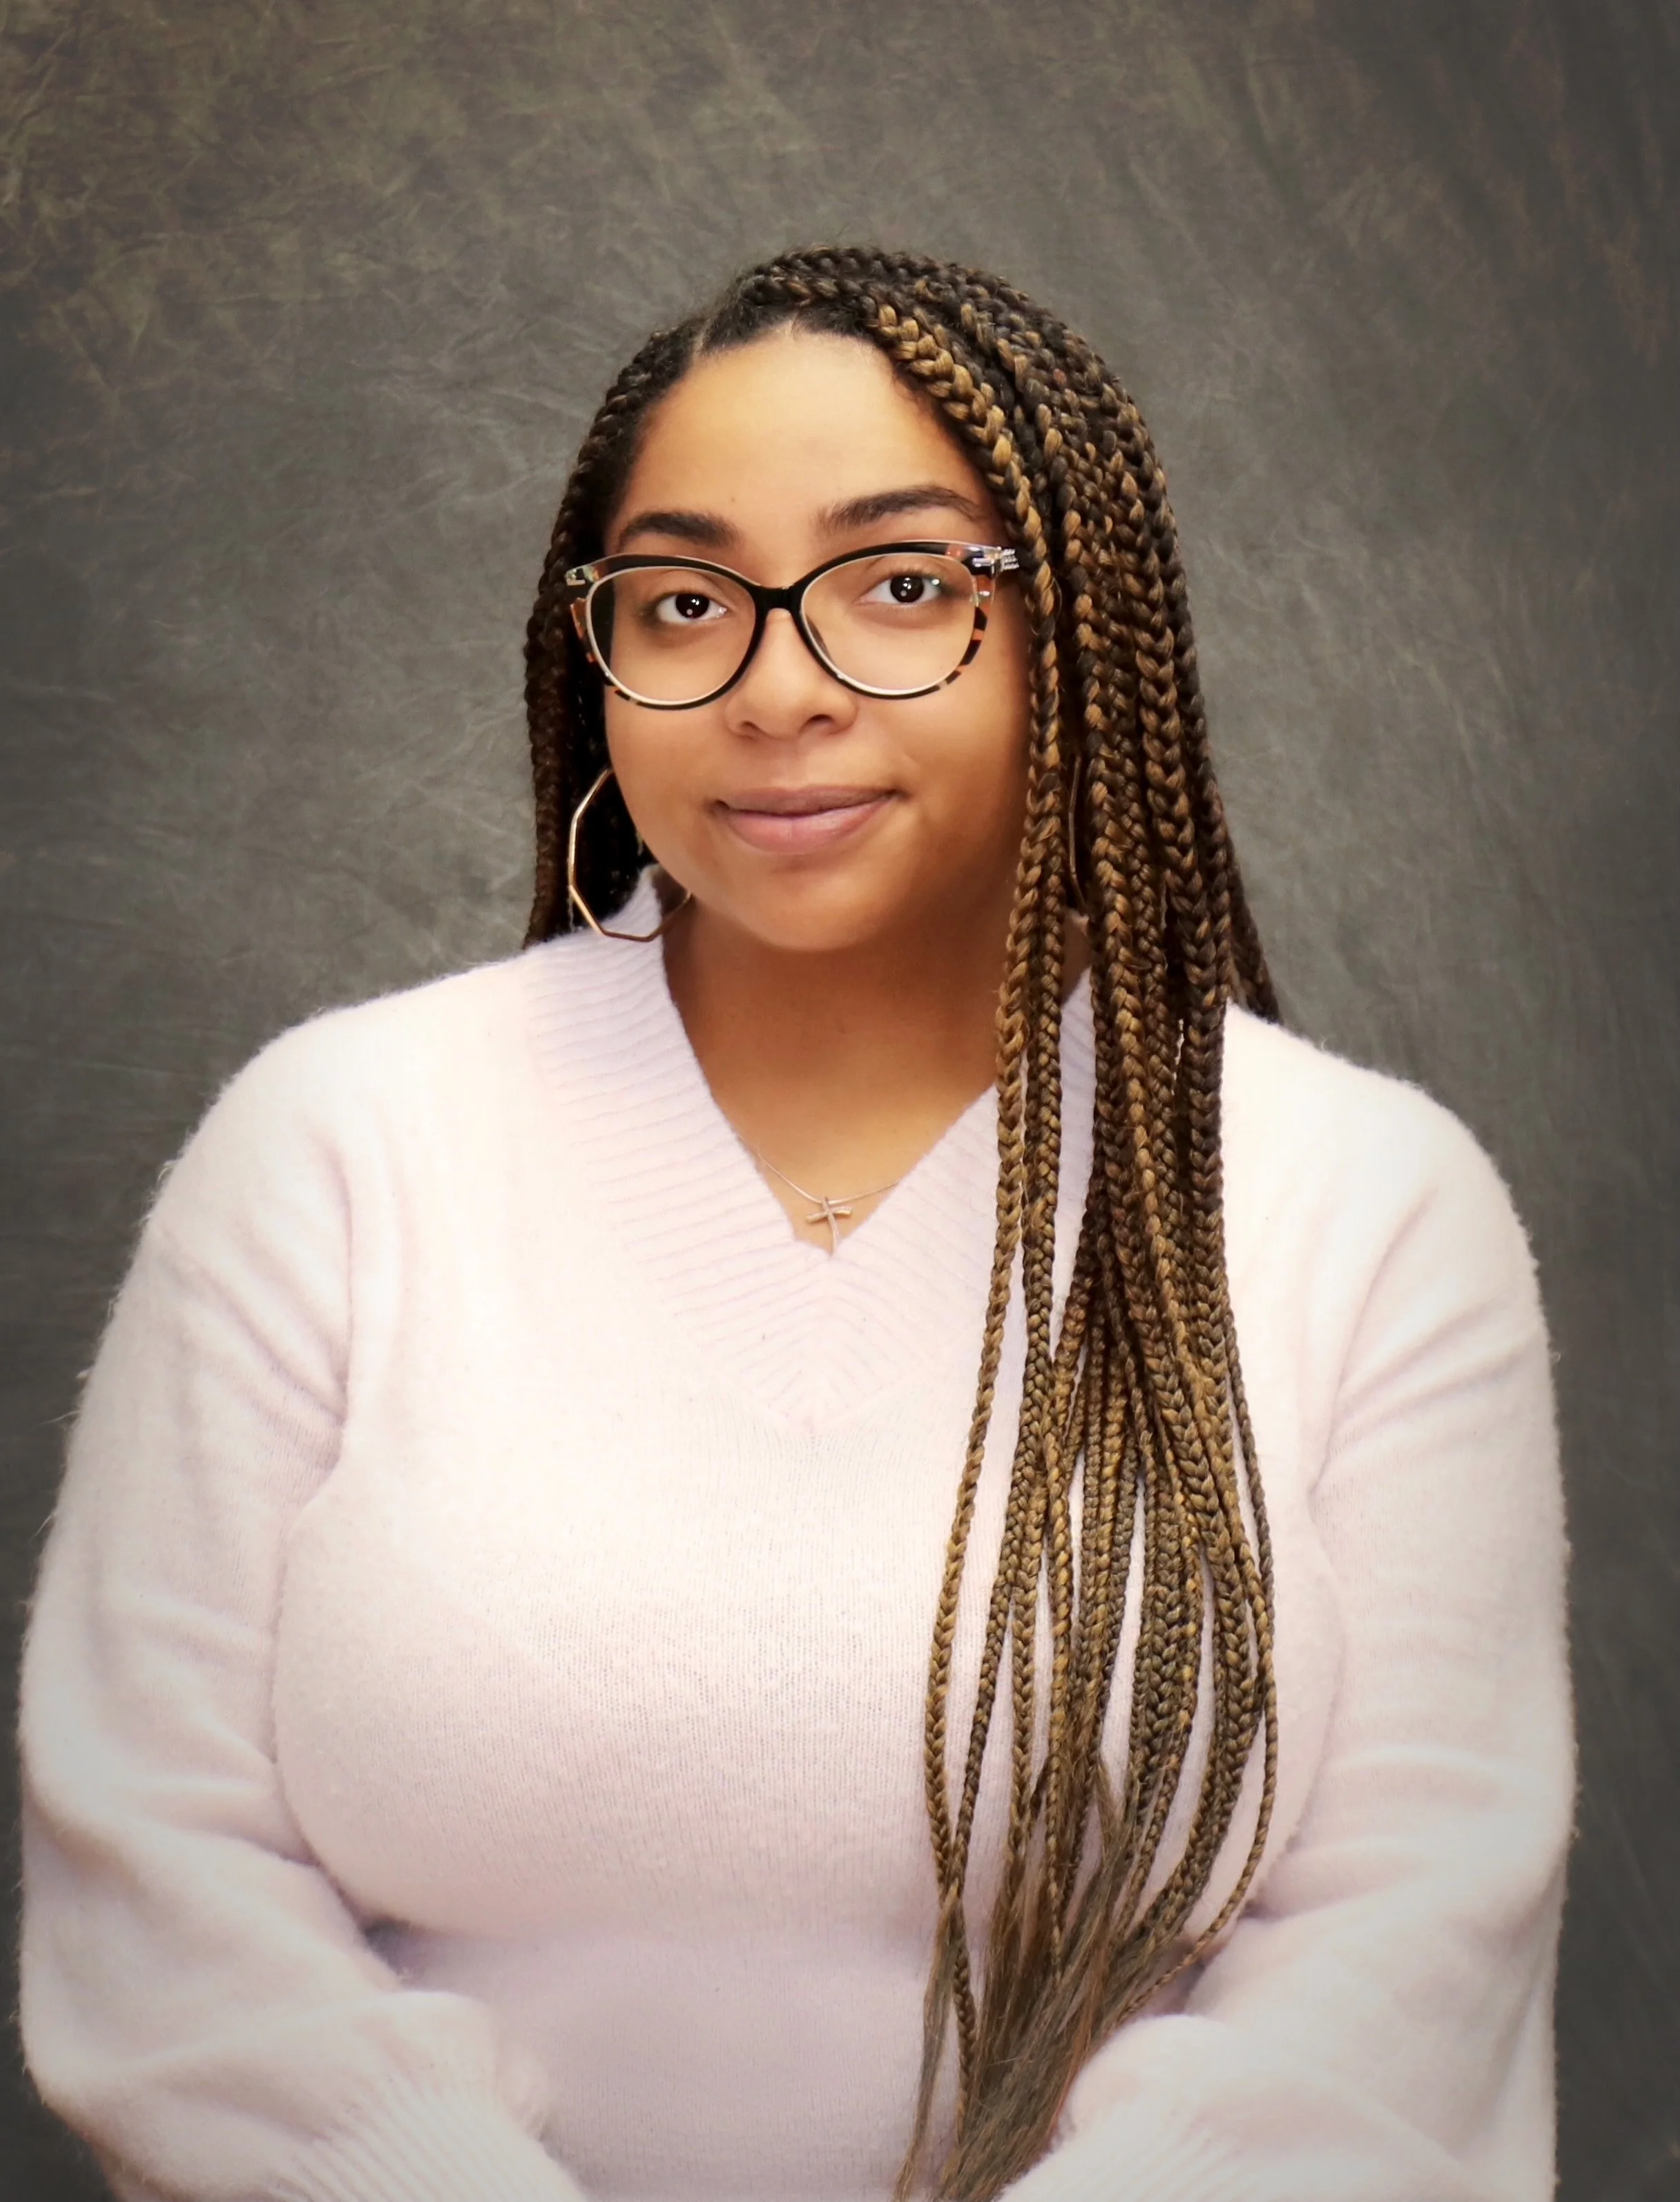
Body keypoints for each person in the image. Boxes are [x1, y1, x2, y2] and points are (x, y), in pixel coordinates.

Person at [17, 247, 1572, 2202]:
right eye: (680, 602)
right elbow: (159, 1887)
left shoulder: (1362, 1205)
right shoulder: (335, 1145)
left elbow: (1400, 1974)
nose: (776, 688)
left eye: (903, 584)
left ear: (1080, 633)